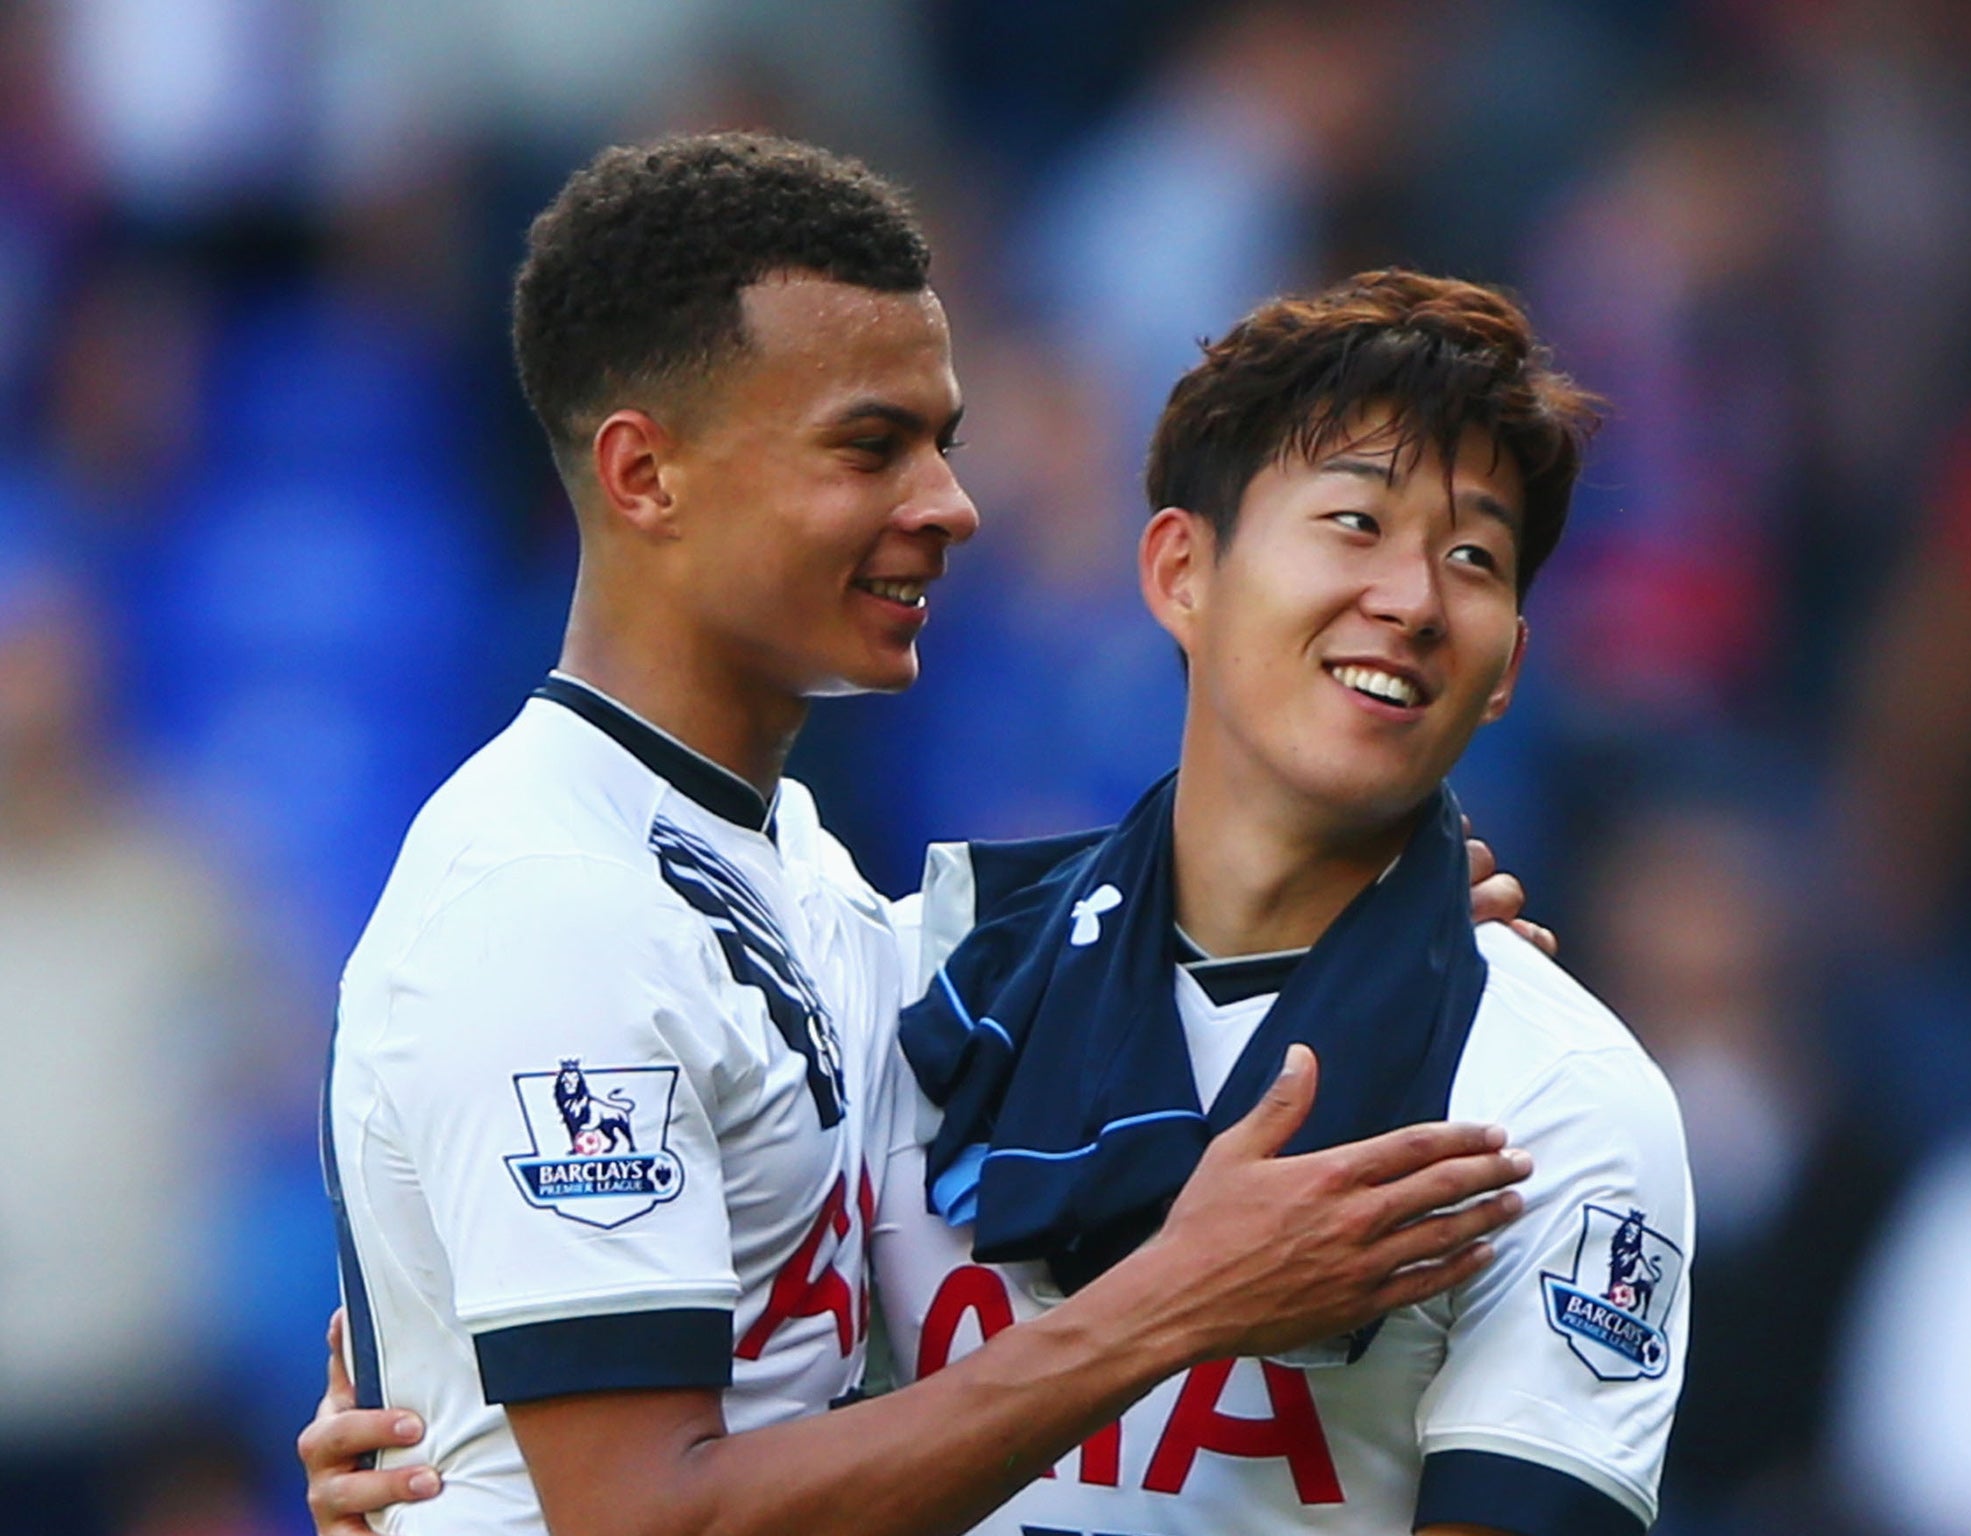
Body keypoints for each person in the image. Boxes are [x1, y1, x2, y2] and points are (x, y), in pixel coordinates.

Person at [307, 133, 1535, 1536]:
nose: (950, 506)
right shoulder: (550, 904)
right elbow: (648, 1523)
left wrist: (1366, 913)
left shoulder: (797, 870)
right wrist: (1176, 1303)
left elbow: (1085, 950)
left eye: (941, 444)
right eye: (869, 446)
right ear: (647, 476)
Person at [870, 272, 1693, 1536]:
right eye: (1354, 523)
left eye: (1472, 555)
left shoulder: (1553, 1099)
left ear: (1506, 670)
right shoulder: (910, 985)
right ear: (1178, 570)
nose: (1413, 601)